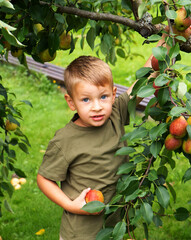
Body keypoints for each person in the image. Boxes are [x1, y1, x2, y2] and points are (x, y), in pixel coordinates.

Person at [37, 39, 164, 239]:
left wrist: (168, 37)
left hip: (117, 225)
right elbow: (44, 178)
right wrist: (70, 205)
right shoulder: (65, 140)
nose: (97, 106)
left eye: (103, 97)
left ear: (114, 95)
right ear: (71, 102)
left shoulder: (116, 113)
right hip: (81, 233)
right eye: (86, 99)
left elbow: (145, 78)